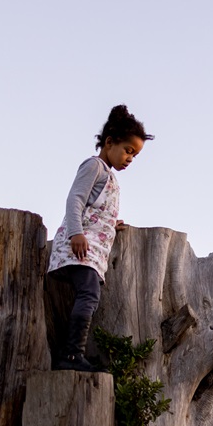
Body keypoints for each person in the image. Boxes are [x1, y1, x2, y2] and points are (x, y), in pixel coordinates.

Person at [47, 104, 153, 372]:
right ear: (109, 142)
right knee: (89, 294)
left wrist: (109, 224)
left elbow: (96, 207)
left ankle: (71, 353)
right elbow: (75, 199)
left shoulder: (109, 177)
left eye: (135, 155)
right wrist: (76, 233)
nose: (130, 158)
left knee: (89, 294)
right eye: (128, 150)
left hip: (90, 249)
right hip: (79, 247)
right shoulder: (94, 165)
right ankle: (71, 354)